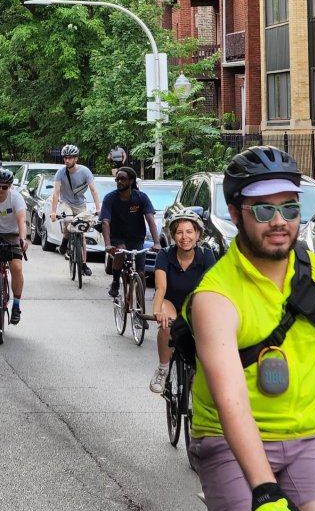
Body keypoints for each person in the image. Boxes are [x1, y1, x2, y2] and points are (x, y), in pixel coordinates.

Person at [185, 146, 315, 511]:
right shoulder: (215, 296)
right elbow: (231, 402)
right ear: (235, 212)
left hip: (311, 436)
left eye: (289, 207)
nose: (280, 221)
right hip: (231, 444)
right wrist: (264, 488)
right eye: (263, 211)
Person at [148, 209, 215, 393]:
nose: (184, 237)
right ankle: (162, 369)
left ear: (198, 234)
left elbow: (212, 289)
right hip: (171, 303)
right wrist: (157, 311)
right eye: (179, 232)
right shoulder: (164, 255)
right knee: (166, 324)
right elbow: (161, 288)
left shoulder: (206, 256)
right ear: (173, 236)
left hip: (195, 305)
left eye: (189, 232)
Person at [100, 166, 160, 297]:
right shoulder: (110, 198)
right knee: (120, 250)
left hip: (136, 237)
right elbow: (105, 221)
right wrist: (108, 245)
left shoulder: (141, 197)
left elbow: (150, 220)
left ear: (131, 181)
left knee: (141, 272)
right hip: (117, 235)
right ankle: (116, 281)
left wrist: (157, 243)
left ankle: (140, 307)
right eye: (117, 179)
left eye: (123, 179)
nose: (119, 182)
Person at [0, 167, 29, 324]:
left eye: (4, 187)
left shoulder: (16, 198)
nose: (0, 190)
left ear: (10, 187)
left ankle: (16, 305)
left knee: (17, 267)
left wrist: (23, 239)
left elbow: (21, 221)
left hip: (12, 234)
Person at [50, 144, 102, 278]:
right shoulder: (60, 173)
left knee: (82, 233)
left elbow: (93, 190)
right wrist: (53, 212)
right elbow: (56, 193)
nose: (67, 160)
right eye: (65, 158)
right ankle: (65, 240)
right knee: (68, 221)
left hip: (80, 204)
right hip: (66, 203)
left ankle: (83, 264)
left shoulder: (85, 171)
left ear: (76, 159)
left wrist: (98, 209)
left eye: (70, 158)